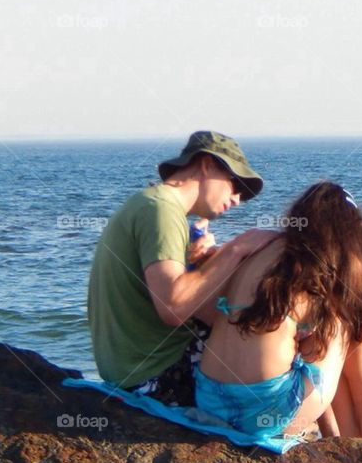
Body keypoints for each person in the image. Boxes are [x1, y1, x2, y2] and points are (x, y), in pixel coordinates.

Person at [194, 181, 362, 461]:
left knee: (317, 331)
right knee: (348, 322)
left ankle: (346, 437)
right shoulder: (336, 259)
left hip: (210, 404)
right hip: (264, 416)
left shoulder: (262, 248)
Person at [88, 131, 277, 407]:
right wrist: (237, 249)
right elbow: (174, 307)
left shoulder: (150, 204)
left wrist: (205, 264)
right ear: (207, 164)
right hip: (156, 378)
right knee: (317, 337)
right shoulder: (162, 210)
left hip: (132, 373)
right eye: (235, 184)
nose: (237, 198)